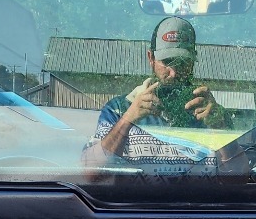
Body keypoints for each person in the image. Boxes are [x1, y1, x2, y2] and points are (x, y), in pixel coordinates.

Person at [84, 16, 232, 174]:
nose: (174, 73)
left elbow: (238, 179)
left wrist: (220, 130)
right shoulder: (118, 110)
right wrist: (126, 121)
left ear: (193, 61)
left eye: (182, 62)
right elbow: (91, 173)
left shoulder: (212, 115)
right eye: (167, 62)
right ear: (151, 58)